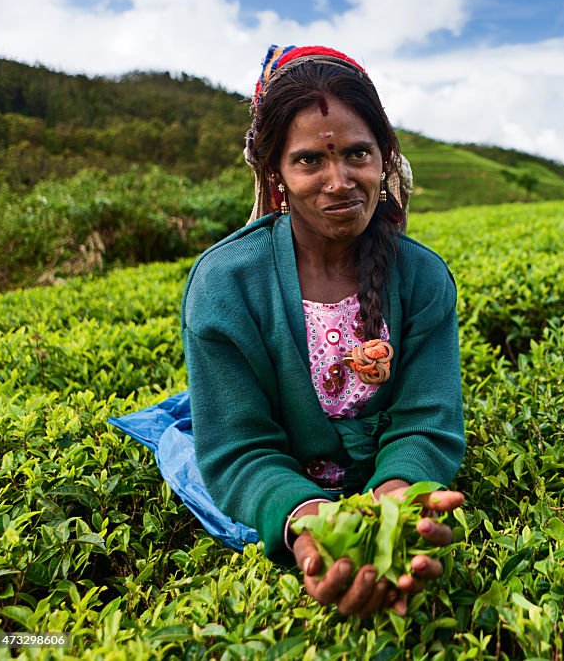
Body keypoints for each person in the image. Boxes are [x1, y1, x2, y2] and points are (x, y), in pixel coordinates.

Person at [113, 44, 465, 618]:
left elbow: (427, 421)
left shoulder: (422, 277)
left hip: (374, 476)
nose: (339, 181)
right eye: (309, 161)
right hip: (283, 484)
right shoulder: (225, 284)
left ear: (385, 157)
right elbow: (240, 449)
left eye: (358, 154)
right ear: (273, 168)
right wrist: (303, 518)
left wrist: (399, 495)